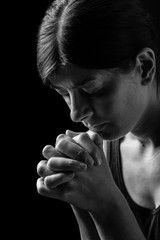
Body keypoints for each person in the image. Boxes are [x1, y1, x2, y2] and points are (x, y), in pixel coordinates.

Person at [36, 0, 160, 239]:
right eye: (64, 94)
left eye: (92, 90)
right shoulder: (98, 158)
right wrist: (81, 198)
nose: (75, 113)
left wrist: (107, 205)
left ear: (144, 67)